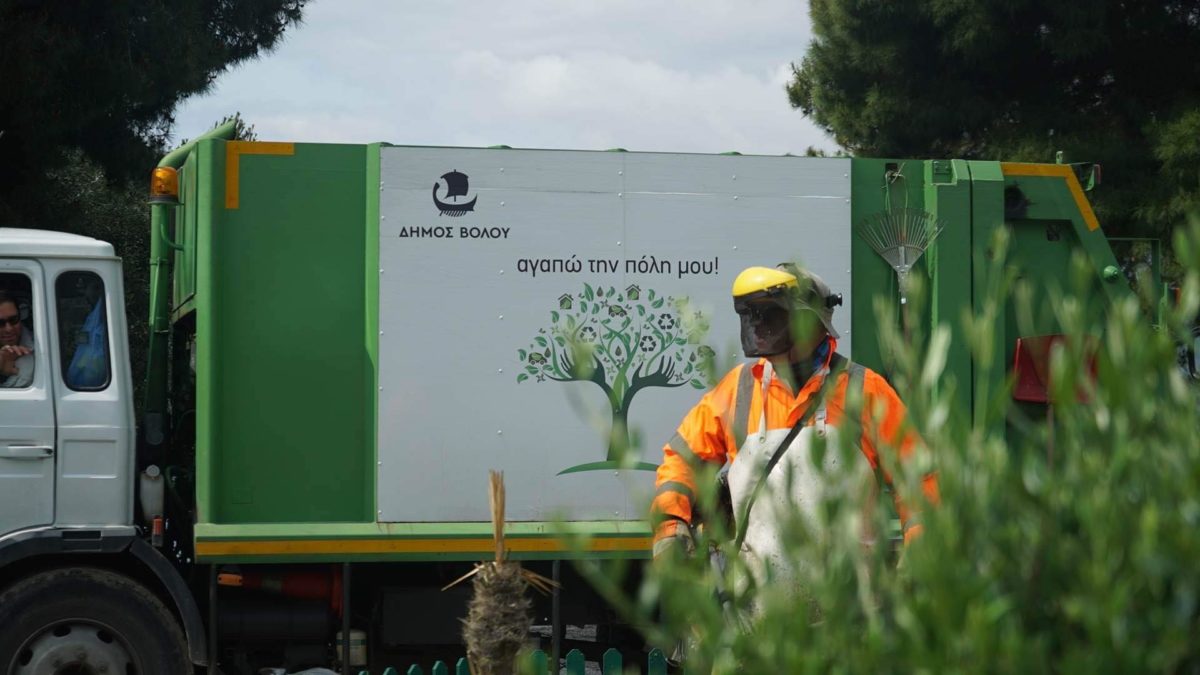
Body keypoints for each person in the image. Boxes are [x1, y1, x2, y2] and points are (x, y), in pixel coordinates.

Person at [650, 264, 938, 586]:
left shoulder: (864, 392)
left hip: (850, 614)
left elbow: (918, 479)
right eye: (753, 316)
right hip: (755, 616)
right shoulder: (739, 390)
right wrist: (670, 522)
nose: (759, 328)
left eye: (770, 316)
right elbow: (681, 460)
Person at [0, 291, 34, 388]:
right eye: (0, 323)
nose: (9, 329)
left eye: (13, 320)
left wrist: (8, 375)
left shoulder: (41, 346)